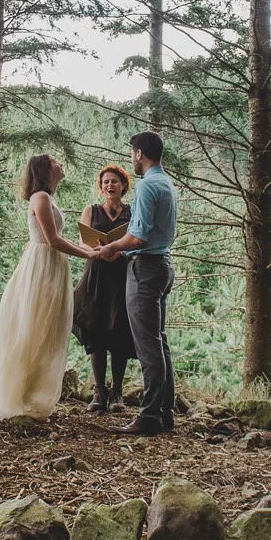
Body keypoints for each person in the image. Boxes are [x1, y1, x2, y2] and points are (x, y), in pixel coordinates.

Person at [0, 154, 92, 423]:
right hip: (42, 266)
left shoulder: (49, 199)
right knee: (34, 326)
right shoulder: (40, 197)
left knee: (47, 328)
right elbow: (52, 240)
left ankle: (33, 393)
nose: (60, 163)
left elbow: (60, 238)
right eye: (55, 161)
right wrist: (89, 255)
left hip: (52, 266)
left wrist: (93, 248)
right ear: (44, 169)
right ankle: (18, 395)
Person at [93, 131, 179, 435]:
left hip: (144, 268)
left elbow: (138, 236)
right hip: (163, 266)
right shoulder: (166, 183)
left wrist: (111, 247)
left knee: (148, 345)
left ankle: (150, 415)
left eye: (133, 152)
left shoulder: (146, 186)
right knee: (159, 340)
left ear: (139, 153)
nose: (132, 157)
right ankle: (165, 412)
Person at [72, 164, 136, 412]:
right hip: (96, 274)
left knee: (119, 331)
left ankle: (117, 392)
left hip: (121, 275)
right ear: (101, 188)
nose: (110, 185)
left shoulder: (132, 212)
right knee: (96, 329)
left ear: (123, 186)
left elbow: (136, 240)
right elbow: (82, 241)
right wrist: (99, 250)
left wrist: (118, 249)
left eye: (114, 182)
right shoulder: (91, 210)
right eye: (106, 182)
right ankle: (99, 392)